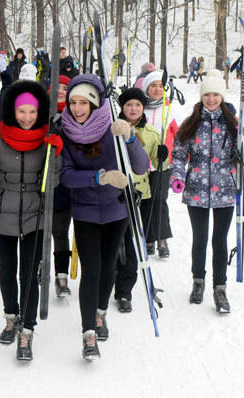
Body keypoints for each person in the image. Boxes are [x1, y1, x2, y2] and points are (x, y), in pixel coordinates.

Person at [0, 80, 63, 361]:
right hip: (2, 216)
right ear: (12, 111)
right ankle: (11, 316)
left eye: (32, 112)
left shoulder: (47, 141)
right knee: (7, 273)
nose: (26, 117)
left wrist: (54, 152)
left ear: (39, 113)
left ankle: (27, 329)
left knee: (29, 275)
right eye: (21, 111)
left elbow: (53, 180)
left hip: (36, 215)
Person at [59, 74, 149, 359]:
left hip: (116, 209)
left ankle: (100, 313)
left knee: (109, 266)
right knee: (91, 271)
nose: (77, 108)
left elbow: (141, 166)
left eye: (83, 102)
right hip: (85, 210)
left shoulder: (113, 127)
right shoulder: (66, 131)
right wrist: (99, 177)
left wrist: (131, 137)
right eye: (73, 102)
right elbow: (66, 176)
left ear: (95, 102)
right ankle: (88, 334)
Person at [170, 70, 244, 313]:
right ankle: (198, 281)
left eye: (216, 94)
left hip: (226, 191)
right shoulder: (191, 122)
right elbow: (178, 154)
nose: (211, 99)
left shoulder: (232, 123)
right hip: (196, 190)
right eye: (207, 94)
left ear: (221, 95)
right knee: (200, 239)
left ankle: (220, 287)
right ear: (201, 95)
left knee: (219, 240)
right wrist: (177, 177)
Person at [112, 88, 161, 313]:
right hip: (115, 193)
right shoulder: (112, 127)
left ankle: (124, 291)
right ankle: (108, 281)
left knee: (132, 245)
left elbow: (156, 163)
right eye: (129, 105)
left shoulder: (151, 132)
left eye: (138, 105)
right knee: (114, 242)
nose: (133, 109)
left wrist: (163, 156)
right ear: (122, 107)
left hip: (139, 194)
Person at [142, 71, 178, 257]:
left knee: (160, 200)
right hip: (142, 163)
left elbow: (178, 134)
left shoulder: (169, 109)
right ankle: (148, 237)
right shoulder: (140, 108)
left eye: (159, 86)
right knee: (147, 200)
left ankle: (161, 239)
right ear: (147, 88)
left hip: (163, 162)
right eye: (153, 86)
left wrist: (175, 153)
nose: (157, 89)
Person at [50, 75, 73, 298]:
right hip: (45, 180)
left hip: (68, 182)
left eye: (65, 88)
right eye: (57, 88)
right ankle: (39, 264)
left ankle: (61, 275)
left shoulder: (75, 114)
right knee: (39, 229)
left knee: (60, 230)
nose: (60, 91)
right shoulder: (42, 114)